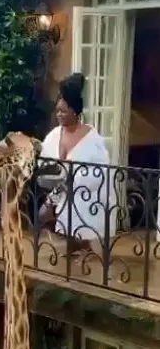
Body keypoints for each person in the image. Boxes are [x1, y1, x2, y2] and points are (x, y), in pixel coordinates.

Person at [38, 72, 116, 255]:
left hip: (83, 192)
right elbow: (44, 163)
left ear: (75, 111)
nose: (59, 115)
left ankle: (82, 243)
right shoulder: (54, 135)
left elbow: (100, 170)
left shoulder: (91, 136)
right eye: (57, 111)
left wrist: (74, 178)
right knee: (43, 214)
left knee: (73, 207)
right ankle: (74, 243)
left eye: (64, 111)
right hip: (58, 190)